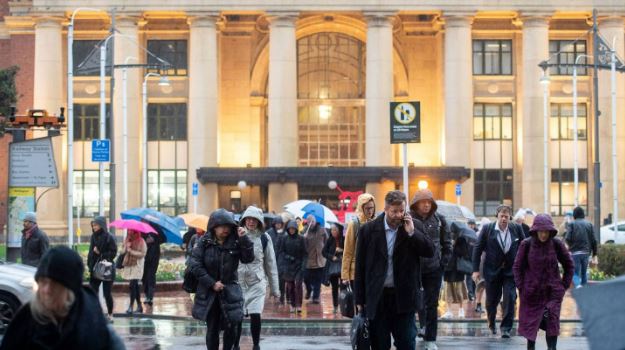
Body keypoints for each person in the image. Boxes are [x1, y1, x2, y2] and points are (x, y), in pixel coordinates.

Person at [0, 246, 125, 350]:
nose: (46, 290)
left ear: (70, 290)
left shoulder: (96, 327)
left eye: (54, 284)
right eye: (43, 282)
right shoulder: (24, 321)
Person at [355, 190, 434, 350]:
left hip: (404, 297)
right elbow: (360, 267)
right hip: (378, 298)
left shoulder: (413, 226)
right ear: (385, 209)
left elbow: (430, 251)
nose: (398, 215)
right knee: (380, 344)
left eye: (401, 211)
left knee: (406, 343)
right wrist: (359, 300)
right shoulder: (368, 230)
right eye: (394, 211)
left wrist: (412, 233)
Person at [189, 209, 254, 350]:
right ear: (214, 226)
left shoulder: (236, 241)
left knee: (231, 327)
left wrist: (244, 239)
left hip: (230, 291)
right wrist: (211, 283)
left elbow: (248, 258)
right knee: (212, 329)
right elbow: (195, 265)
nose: (226, 229)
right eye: (222, 226)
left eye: (228, 226)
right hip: (210, 293)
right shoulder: (204, 242)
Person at [513, 214, 574, 350]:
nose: (544, 235)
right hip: (531, 293)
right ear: (535, 231)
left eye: (546, 231)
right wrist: (522, 287)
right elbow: (517, 267)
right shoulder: (527, 244)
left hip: (552, 293)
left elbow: (569, 265)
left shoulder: (556, 244)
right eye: (541, 231)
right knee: (531, 327)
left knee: (552, 324)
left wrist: (562, 286)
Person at [472, 205, 524, 338]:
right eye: (502, 216)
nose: (504, 219)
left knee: (510, 298)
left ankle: (506, 328)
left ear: (510, 217)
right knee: (491, 301)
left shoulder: (517, 228)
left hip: (510, 271)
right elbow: (477, 249)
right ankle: (491, 321)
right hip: (492, 270)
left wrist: (525, 267)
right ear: (497, 216)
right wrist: (475, 270)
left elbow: (525, 248)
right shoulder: (487, 229)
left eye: (507, 216)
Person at [410, 189, 452, 350]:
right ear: (417, 203)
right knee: (413, 302)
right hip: (413, 269)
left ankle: (430, 338)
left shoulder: (440, 220)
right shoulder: (409, 219)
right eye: (423, 201)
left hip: (434, 269)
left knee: (431, 304)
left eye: (429, 202)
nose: (426, 205)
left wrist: (442, 264)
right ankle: (416, 331)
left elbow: (447, 243)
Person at [236, 206, 280, 350]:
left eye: (254, 219)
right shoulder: (236, 235)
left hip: (257, 282)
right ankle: (235, 345)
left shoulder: (264, 238)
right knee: (237, 316)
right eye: (248, 219)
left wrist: (275, 290)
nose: (251, 222)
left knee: (256, 314)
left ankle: (256, 345)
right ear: (244, 220)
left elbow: (270, 264)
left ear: (259, 221)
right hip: (238, 283)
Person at [87, 216, 118, 322]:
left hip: (107, 269)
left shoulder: (109, 237)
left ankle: (110, 314)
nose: (93, 227)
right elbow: (91, 252)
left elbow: (113, 253)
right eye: (93, 225)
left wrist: (100, 253)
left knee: (107, 293)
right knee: (93, 292)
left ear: (101, 225)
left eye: (95, 225)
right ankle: (95, 313)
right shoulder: (93, 237)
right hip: (95, 268)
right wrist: (90, 265)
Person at [441, 222, 474, 319]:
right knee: (448, 290)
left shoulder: (462, 239)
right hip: (448, 267)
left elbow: (464, 253)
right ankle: (449, 311)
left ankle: (461, 309)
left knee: (459, 290)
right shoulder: (446, 237)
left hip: (457, 269)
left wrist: (455, 246)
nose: (451, 232)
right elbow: (443, 250)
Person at [341, 193, 376, 287]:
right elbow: (348, 251)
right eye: (367, 208)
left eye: (372, 208)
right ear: (361, 208)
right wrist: (345, 275)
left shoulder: (376, 224)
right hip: (356, 273)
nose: (370, 211)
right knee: (358, 301)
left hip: (373, 272)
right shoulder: (354, 224)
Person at [277, 220, 307, 313]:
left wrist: (303, 265)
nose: (291, 230)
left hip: (298, 265)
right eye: (290, 229)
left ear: (296, 229)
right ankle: (292, 304)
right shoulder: (284, 239)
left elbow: (305, 253)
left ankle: (298, 305)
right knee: (290, 286)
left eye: (293, 229)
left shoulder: (301, 239)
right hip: (288, 265)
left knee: (298, 285)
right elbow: (281, 252)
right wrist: (287, 257)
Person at [564, 206, 597, 287]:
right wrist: (594, 254)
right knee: (584, 273)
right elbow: (594, 240)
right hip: (586, 253)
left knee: (573, 273)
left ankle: (578, 286)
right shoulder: (589, 224)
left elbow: (567, 239)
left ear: (574, 215)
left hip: (575, 253)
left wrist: (566, 249)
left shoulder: (572, 224)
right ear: (583, 214)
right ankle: (584, 293)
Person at [120, 229, 147, 314]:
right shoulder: (127, 240)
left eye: (131, 231)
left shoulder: (141, 241)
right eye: (128, 231)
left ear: (135, 232)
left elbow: (143, 254)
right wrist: (126, 247)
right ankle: (139, 306)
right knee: (134, 286)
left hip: (137, 265)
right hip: (129, 265)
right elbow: (121, 252)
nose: (129, 232)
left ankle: (131, 306)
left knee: (132, 285)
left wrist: (131, 251)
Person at [303, 213, 327, 304]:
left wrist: (324, 250)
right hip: (309, 259)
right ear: (307, 222)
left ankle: (316, 297)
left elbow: (326, 241)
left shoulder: (322, 230)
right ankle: (309, 290)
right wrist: (303, 239)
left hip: (320, 259)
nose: (311, 223)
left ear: (315, 221)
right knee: (306, 278)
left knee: (318, 279)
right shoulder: (305, 231)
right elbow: (303, 247)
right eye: (309, 221)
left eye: (313, 221)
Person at [322, 223, 344, 313]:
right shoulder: (329, 240)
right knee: (334, 287)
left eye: (335, 230)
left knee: (343, 287)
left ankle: (343, 304)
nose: (333, 232)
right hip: (332, 267)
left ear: (339, 231)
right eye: (332, 230)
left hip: (342, 266)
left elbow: (350, 251)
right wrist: (331, 257)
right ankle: (335, 306)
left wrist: (342, 251)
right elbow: (323, 252)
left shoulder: (344, 239)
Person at [142, 229, 164, 312]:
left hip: (154, 257)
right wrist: (145, 241)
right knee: (144, 278)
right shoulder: (142, 229)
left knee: (151, 276)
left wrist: (154, 240)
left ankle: (150, 297)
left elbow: (163, 239)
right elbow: (139, 239)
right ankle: (147, 295)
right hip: (144, 257)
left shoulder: (157, 228)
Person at [266, 216, 287, 304]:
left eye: (280, 224)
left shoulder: (284, 233)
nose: (278, 225)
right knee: (272, 277)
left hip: (281, 259)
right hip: (271, 257)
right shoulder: (269, 233)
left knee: (281, 279)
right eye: (277, 224)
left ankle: (281, 296)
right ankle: (274, 293)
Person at [474, 217, 491, 314]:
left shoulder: (486, 233)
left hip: (485, 261)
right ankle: (479, 304)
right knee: (481, 285)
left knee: (482, 285)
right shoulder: (480, 234)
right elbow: (477, 250)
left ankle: (480, 305)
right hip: (482, 261)